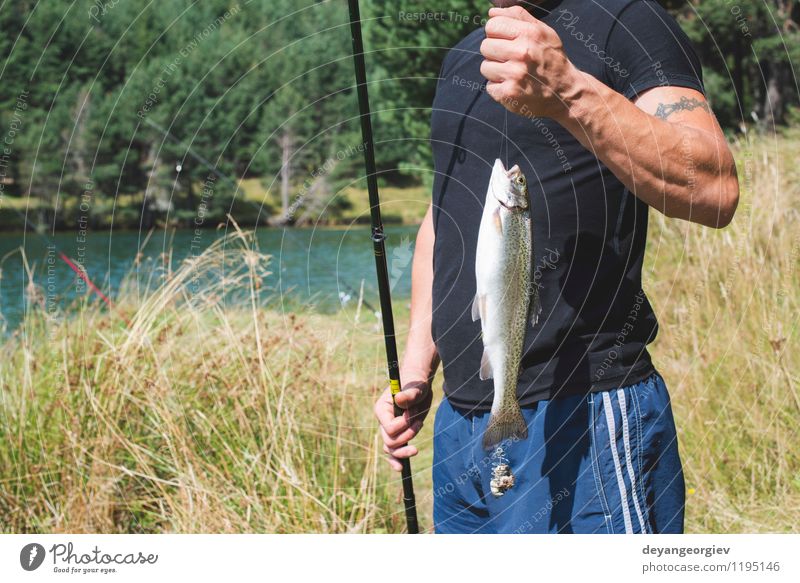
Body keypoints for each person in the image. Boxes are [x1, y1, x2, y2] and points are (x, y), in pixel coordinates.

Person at [374, 0, 739, 533]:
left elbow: (714, 188)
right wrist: (414, 368)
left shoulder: (626, 20)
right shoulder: (463, 58)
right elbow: (448, 215)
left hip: (584, 411)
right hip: (460, 426)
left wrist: (568, 90)